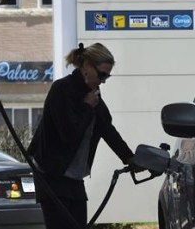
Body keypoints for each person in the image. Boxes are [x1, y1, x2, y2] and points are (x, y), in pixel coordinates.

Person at [28, 42, 135, 229]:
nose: (103, 80)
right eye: (101, 74)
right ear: (86, 66)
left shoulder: (93, 95)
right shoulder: (62, 90)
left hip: (74, 179)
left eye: (107, 76)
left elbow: (106, 128)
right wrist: (86, 107)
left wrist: (130, 158)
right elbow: (68, 134)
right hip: (52, 175)